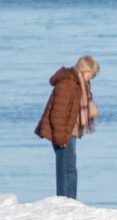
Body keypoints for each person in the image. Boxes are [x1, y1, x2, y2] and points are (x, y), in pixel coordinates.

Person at [35, 56, 100, 199]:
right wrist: (60, 138)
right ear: (85, 70)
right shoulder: (68, 84)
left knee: (67, 168)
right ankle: (67, 201)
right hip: (64, 132)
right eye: (92, 74)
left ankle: (67, 200)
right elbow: (58, 113)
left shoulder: (78, 83)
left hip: (71, 130)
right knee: (67, 169)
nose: (92, 78)